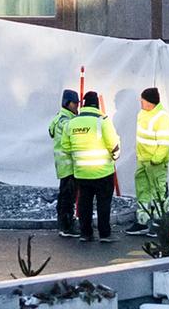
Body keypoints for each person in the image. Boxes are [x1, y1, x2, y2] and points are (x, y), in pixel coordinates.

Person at [62, 91, 121, 243]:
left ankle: (86, 233)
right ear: (97, 104)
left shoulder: (72, 122)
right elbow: (113, 144)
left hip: (81, 172)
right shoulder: (103, 121)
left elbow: (65, 147)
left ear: (84, 104)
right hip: (102, 171)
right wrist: (114, 157)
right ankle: (104, 234)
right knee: (103, 203)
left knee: (84, 203)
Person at [127, 87, 169, 237]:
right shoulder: (143, 114)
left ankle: (160, 224)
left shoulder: (162, 117)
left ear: (149, 102)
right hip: (143, 160)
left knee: (158, 192)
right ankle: (142, 221)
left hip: (155, 163)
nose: (140, 102)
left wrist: (155, 160)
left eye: (143, 100)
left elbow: (164, 143)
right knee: (143, 191)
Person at [49, 89, 80, 238]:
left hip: (63, 164)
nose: (77, 106)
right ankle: (66, 226)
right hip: (69, 164)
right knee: (68, 196)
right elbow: (73, 138)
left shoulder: (59, 117)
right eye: (75, 103)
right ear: (67, 103)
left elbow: (50, 131)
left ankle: (64, 223)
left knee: (65, 195)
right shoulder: (66, 121)